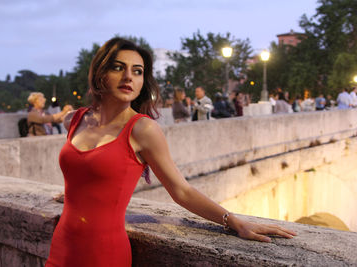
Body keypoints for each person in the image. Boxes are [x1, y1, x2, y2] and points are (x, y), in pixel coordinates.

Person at [45, 38, 296, 267]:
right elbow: (84, 170)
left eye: (137, 71)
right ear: (100, 73)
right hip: (61, 247)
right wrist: (75, 192)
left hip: (103, 254)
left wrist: (234, 221)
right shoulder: (75, 119)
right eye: (118, 67)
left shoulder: (143, 130)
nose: (129, 77)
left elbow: (181, 190)